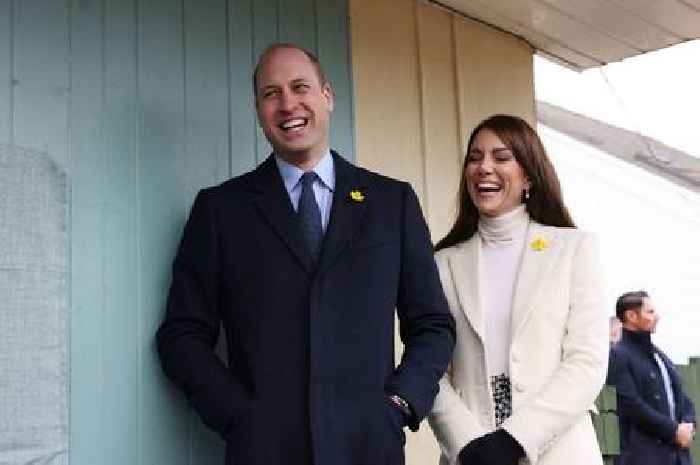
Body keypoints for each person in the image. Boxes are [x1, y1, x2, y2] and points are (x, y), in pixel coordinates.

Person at [156, 43, 455, 465]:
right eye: (271, 93)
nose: (287, 104)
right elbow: (181, 335)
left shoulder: (392, 203)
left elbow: (433, 326)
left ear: (327, 96)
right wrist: (239, 417)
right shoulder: (221, 210)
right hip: (264, 452)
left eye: (300, 87)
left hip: (369, 449)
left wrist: (401, 404)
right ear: (258, 110)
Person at [428, 114, 608, 465]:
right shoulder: (440, 264)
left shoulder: (574, 249)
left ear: (528, 174)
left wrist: (514, 440)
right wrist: (468, 444)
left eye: (501, 157)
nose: (484, 168)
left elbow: (587, 362)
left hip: (561, 453)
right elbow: (429, 367)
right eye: (475, 157)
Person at [609, 290, 696, 465]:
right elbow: (631, 405)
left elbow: (683, 398)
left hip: (678, 457)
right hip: (643, 458)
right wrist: (673, 431)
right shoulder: (619, 356)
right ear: (631, 316)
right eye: (650, 312)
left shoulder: (661, 357)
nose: (657, 317)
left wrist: (688, 424)